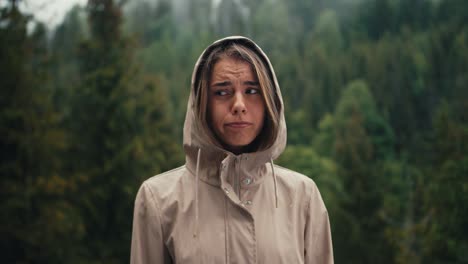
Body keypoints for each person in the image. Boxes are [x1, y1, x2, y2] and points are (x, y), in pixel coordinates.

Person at [130, 36, 334, 263]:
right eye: (222, 92)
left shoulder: (302, 197)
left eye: (252, 91)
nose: (238, 105)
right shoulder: (159, 201)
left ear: (270, 101)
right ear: (202, 104)